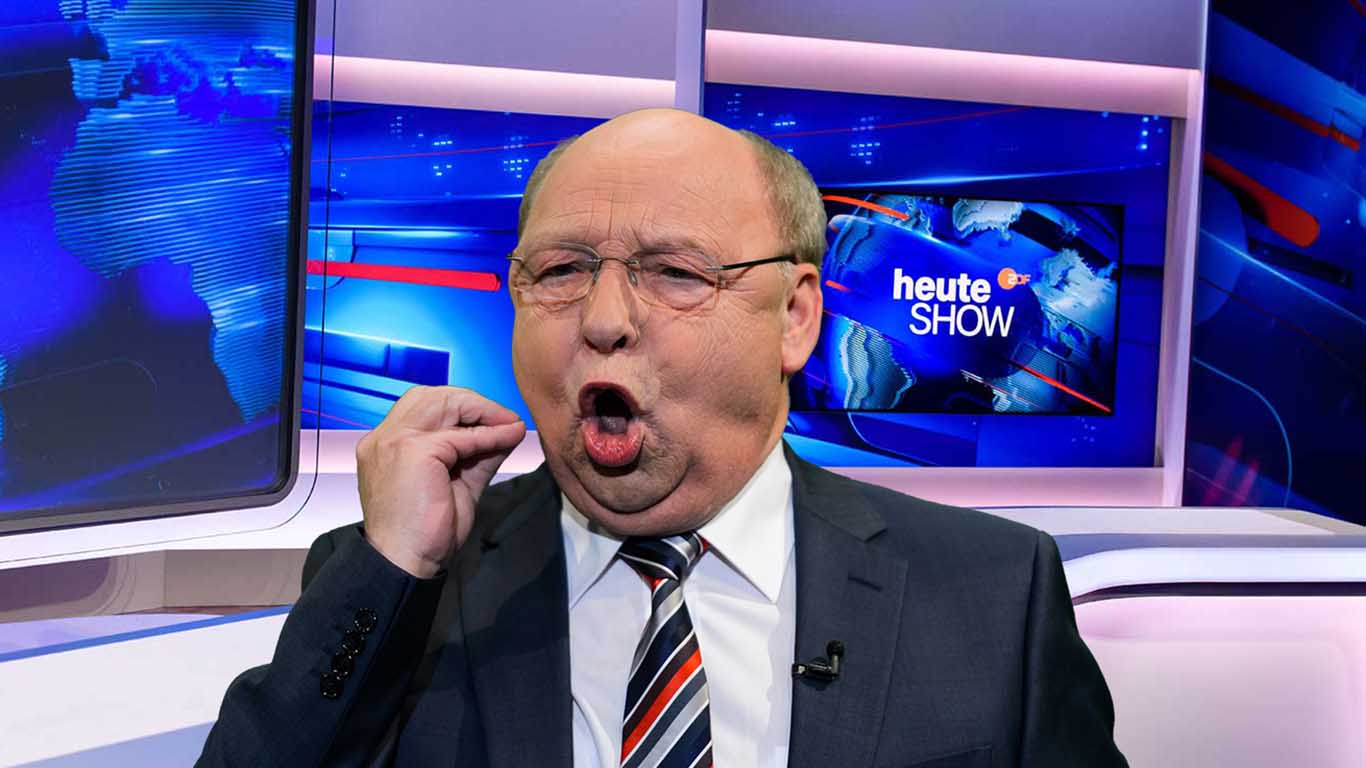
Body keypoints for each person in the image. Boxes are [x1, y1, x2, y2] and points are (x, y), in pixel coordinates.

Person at [197, 108, 1127, 767]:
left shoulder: (997, 593)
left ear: (796, 317)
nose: (603, 319)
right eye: (560, 271)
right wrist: (394, 568)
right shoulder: (403, 582)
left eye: (676, 273)